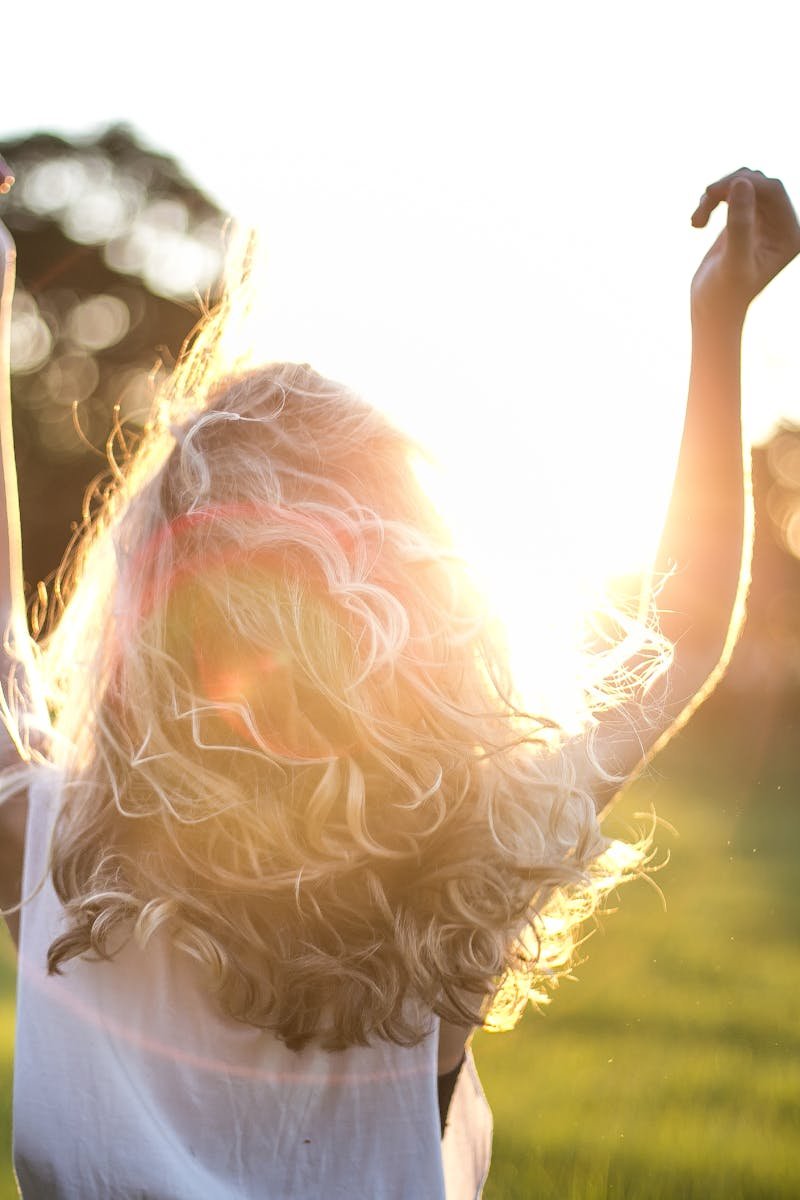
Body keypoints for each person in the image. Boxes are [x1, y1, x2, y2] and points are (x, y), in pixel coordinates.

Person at [0, 163, 798, 1200]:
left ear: (147, 609)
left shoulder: (60, 855)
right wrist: (716, 318)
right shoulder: (463, 863)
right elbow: (678, 636)